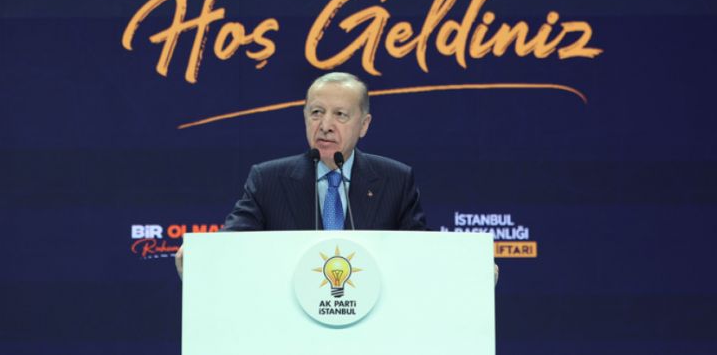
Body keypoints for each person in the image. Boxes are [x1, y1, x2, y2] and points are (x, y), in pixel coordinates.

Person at [176, 72, 497, 283]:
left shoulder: (395, 180)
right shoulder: (268, 179)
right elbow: (233, 243)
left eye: (340, 115)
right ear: (305, 117)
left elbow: (419, 256)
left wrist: (469, 275)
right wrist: (202, 258)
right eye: (316, 112)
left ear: (364, 125)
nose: (325, 125)